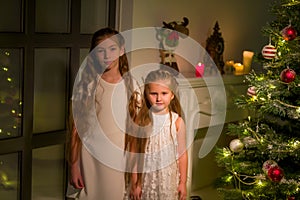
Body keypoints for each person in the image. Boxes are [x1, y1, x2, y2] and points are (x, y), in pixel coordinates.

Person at [66, 27, 139, 199]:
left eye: (112, 49)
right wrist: (74, 165)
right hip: (90, 157)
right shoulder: (87, 86)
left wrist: (135, 176)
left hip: (118, 158)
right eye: (101, 50)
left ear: (121, 50)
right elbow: (76, 129)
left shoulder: (132, 86)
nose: (107, 56)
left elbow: (135, 134)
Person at [125, 69, 188, 200]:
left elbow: (182, 155)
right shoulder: (141, 120)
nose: (159, 98)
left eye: (164, 93)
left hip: (167, 181)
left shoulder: (177, 122)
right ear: (146, 94)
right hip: (145, 180)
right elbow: (134, 152)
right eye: (154, 93)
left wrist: (182, 183)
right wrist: (135, 182)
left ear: (172, 95)